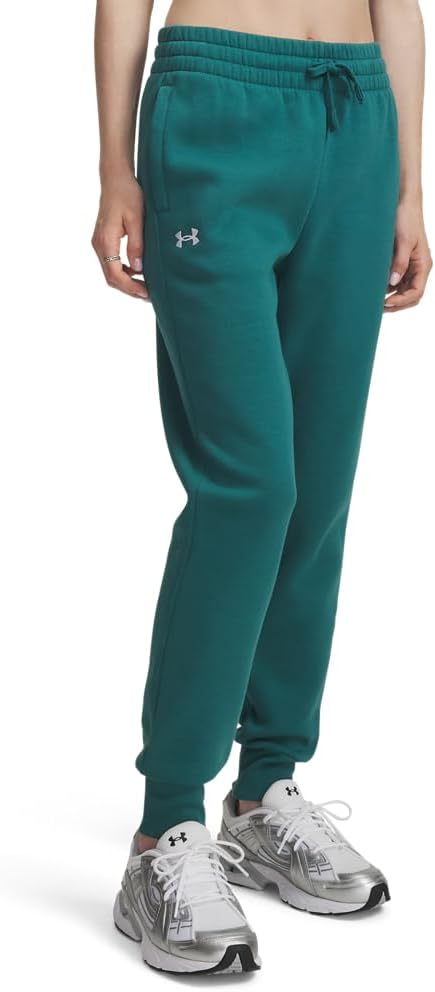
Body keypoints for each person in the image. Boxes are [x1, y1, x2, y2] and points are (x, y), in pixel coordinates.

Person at [92, 0, 432, 975]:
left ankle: (264, 790)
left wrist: (407, 184)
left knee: (317, 488)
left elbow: (398, 6)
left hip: (356, 116)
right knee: (250, 488)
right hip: (214, 103)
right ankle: (164, 829)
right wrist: (115, 168)